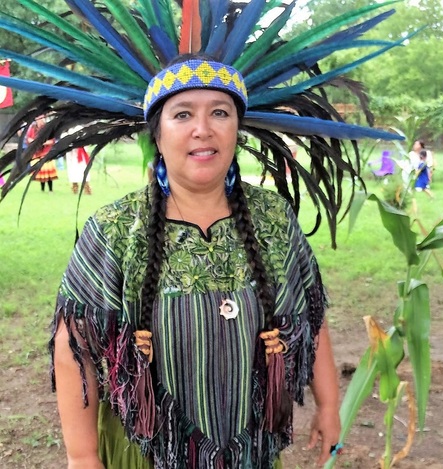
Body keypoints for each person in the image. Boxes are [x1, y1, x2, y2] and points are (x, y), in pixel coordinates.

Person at [51, 56, 341, 468]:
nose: (202, 129)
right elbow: (74, 350)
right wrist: (82, 458)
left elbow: (311, 317)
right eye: (182, 114)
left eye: (219, 113)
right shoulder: (115, 228)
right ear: (158, 133)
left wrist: (328, 405)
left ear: (236, 130)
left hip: (249, 452)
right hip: (145, 451)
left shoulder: (273, 217)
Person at [26, 115, 58, 192]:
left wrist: (42, 143)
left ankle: (50, 189)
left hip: (46, 152)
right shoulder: (33, 128)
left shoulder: (48, 128)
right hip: (37, 153)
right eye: (38, 119)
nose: (40, 120)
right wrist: (34, 142)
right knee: (40, 172)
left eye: (42, 118)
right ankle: (42, 189)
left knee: (49, 172)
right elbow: (28, 139)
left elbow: (52, 140)